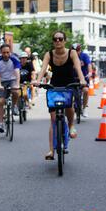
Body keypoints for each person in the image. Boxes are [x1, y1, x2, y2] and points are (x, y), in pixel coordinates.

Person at [33, 31, 86, 160]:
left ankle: (71, 125)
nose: (58, 41)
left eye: (60, 39)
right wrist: (38, 81)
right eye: (55, 39)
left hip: (69, 84)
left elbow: (78, 68)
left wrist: (82, 80)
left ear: (64, 41)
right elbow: (43, 69)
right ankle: (51, 151)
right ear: (53, 41)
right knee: (53, 119)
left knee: (69, 107)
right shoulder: (49, 54)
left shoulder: (72, 53)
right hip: (54, 85)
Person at [0, 44, 21, 133]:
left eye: (7, 52)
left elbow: (17, 72)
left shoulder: (15, 59)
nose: (6, 54)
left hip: (12, 79)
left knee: (16, 92)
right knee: (1, 101)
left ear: (10, 52)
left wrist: (17, 84)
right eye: (4, 52)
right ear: (1, 52)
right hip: (2, 81)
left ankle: (14, 105)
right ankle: (1, 123)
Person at [71, 43, 91, 117]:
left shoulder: (84, 56)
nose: (76, 52)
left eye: (78, 50)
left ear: (80, 50)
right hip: (73, 79)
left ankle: (84, 108)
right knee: (69, 93)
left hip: (84, 78)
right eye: (74, 50)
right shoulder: (70, 56)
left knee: (86, 91)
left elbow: (89, 64)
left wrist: (90, 73)